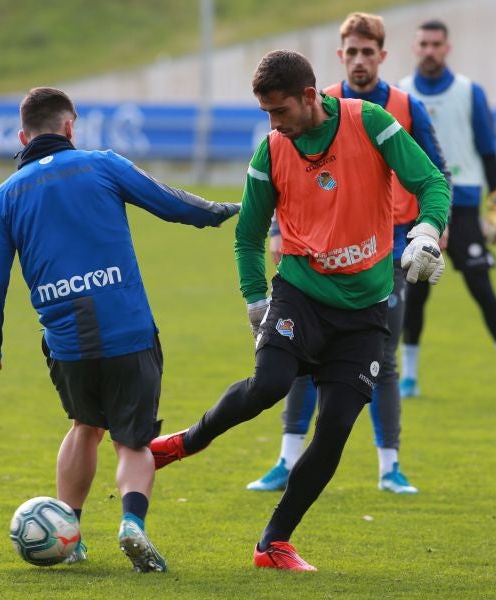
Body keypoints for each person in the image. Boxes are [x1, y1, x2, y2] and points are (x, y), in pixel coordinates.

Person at [149, 49, 450, 570]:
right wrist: (255, 301)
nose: (273, 124)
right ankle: (184, 443)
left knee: (334, 429)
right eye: (265, 112)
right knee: (268, 384)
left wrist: (426, 232)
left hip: (365, 309)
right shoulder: (271, 150)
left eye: (280, 111)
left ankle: (273, 544)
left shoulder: (369, 122)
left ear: (309, 96)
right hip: (300, 295)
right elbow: (248, 237)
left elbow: (432, 183)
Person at [0, 87, 240, 573]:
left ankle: (69, 534)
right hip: (128, 331)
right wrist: (225, 210)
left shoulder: (3, 197)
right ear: (69, 127)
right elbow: (173, 203)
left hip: (67, 343)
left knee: (84, 426)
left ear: (22, 137)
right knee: (132, 442)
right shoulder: (102, 164)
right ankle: (132, 523)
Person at [245, 11, 448, 496]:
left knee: (383, 358)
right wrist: (277, 230)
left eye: (367, 52)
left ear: (382, 56)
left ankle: (389, 466)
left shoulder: (404, 107)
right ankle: (286, 459)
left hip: (392, 249)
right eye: (351, 52)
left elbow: (435, 173)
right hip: (318, 252)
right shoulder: (317, 106)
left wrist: (432, 230)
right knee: (297, 355)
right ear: (341, 56)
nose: (359, 60)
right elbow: (286, 179)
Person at [398, 19, 496, 401]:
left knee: (481, 288)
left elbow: (489, 152)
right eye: (424, 44)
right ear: (414, 47)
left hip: (465, 203)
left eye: (436, 44)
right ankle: (409, 377)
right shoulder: (401, 92)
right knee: (415, 293)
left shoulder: (469, 92)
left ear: (447, 48)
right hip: (419, 206)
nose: (430, 51)